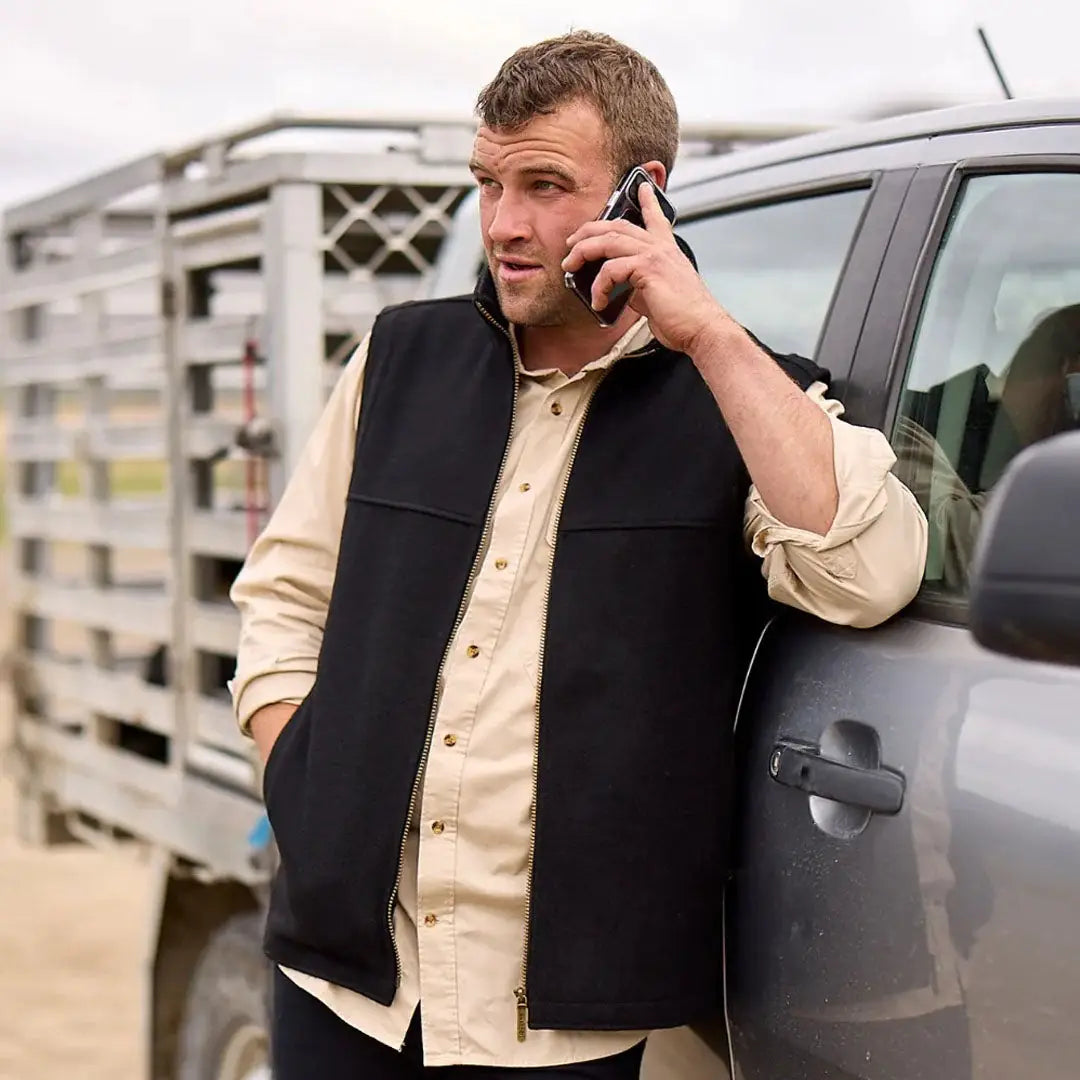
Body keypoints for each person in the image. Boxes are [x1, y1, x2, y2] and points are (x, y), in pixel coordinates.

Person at [229, 30, 928, 1079]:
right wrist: (303, 779)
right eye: (488, 183)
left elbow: (866, 572)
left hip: (559, 1016)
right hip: (351, 981)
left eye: (546, 186)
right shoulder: (398, 359)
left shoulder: (742, 399)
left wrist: (709, 336)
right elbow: (282, 599)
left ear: (640, 192)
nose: (504, 225)